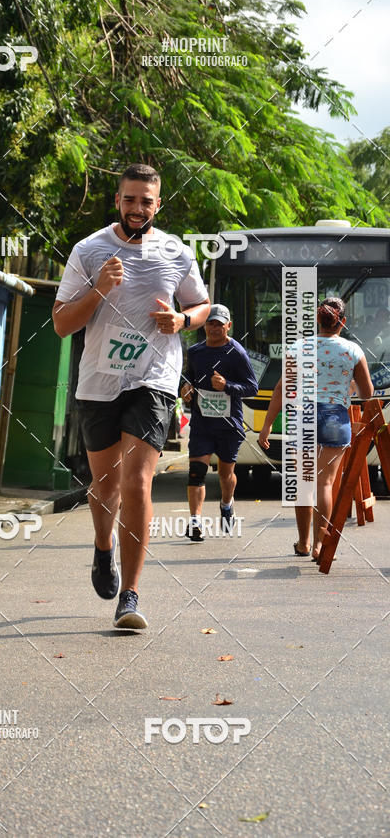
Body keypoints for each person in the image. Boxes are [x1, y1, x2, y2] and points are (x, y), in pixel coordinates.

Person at [52, 163, 210, 628]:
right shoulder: (89, 250)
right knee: (105, 486)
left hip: (154, 380)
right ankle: (104, 551)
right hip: (99, 382)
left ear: (158, 205)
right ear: (117, 200)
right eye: (130, 199)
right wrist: (99, 289)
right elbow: (63, 323)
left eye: (147, 201)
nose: (137, 208)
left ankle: (131, 595)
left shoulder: (176, 253)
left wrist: (182, 321)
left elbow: (201, 305)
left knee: (137, 482)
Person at [258, 297, 373, 561]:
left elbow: (280, 390)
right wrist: (349, 387)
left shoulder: (298, 348)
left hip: (303, 415)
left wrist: (266, 427)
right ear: (342, 322)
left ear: (318, 320)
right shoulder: (352, 350)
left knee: (303, 483)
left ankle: (303, 543)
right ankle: (321, 545)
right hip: (336, 417)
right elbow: (367, 394)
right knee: (326, 483)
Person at [180, 304, 258, 541]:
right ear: (204, 325)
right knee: (197, 472)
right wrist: (184, 389)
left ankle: (226, 504)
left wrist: (227, 387)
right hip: (202, 424)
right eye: (210, 323)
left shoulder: (236, 352)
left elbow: (252, 387)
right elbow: (185, 379)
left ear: (228, 326)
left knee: (226, 474)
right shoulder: (195, 352)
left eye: (219, 324)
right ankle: (195, 522)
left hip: (229, 424)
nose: (214, 328)